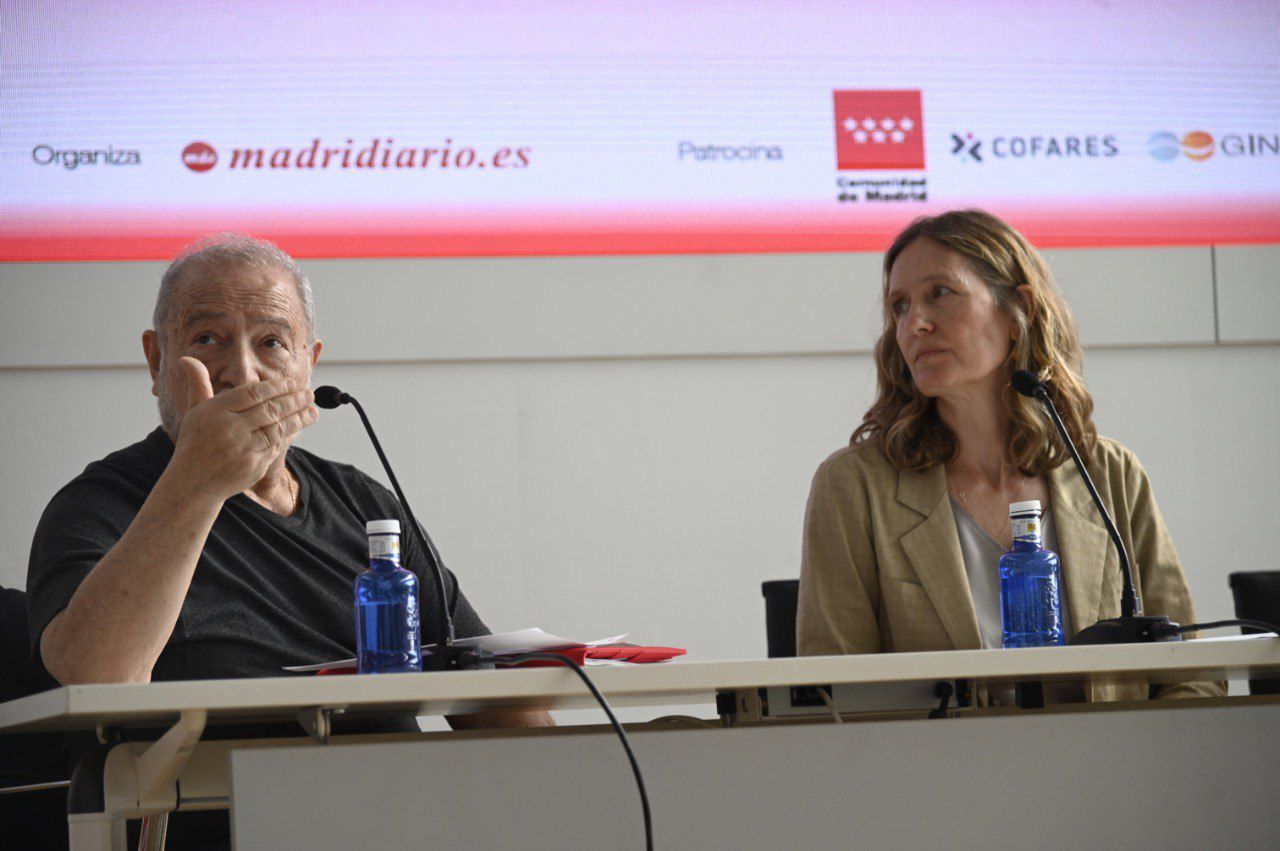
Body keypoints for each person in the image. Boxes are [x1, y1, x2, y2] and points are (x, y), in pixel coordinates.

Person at [27, 233, 553, 728]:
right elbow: (100, 678)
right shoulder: (97, 505)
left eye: (271, 342)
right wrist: (197, 481)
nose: (242, 372)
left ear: (309, 364)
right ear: (156, 359)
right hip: (218, 810)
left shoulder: (364, 504)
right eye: (207, 338)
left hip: (395, 805)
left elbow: (488, 689)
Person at [796, 209, 1223, 703]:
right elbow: (831, 700)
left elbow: (1192, 676)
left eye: (940, 293)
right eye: (899, 306)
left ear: (1016, 312)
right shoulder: (853, 487)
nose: (915, 323)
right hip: (938, 774)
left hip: (1111, 770)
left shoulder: (1111, 476)